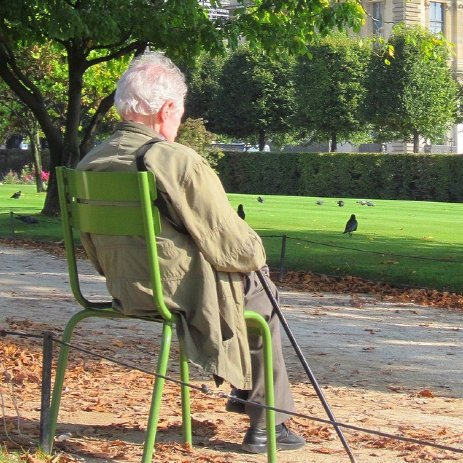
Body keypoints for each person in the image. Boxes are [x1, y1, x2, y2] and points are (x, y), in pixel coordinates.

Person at [76, 52, 305, 454]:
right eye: (179, 114)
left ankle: (249, 398)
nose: (178, 123)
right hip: (176, 294)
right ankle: (268, 423)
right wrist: (258, 257)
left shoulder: (90, 162)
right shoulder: (172, 159)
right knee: (261, 293)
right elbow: (232, 245)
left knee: (249, 289)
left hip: (123, 288)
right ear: (167, 109)